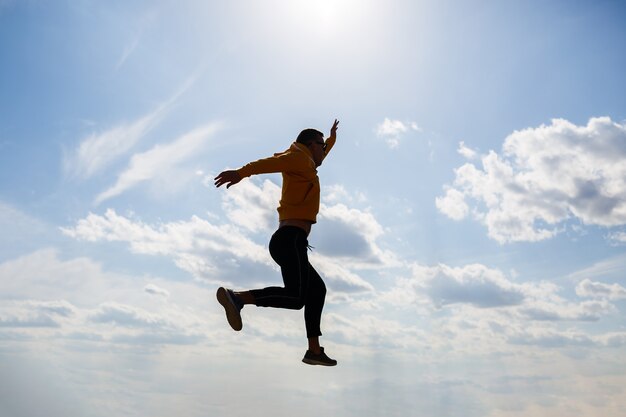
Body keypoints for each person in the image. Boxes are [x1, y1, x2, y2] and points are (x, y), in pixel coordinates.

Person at [214, 119, 339, 366]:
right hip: (290, 239)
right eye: (321, 145)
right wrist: (241, 172)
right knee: (295, 298)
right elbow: (270, 164)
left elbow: (319, 152)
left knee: (316, 290)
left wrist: (332, 138)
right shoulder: (298, 158)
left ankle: (314, 350)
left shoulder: (306, 159)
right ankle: (237, 297)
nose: (324, 150)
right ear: (309, 144)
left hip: (290, 241)